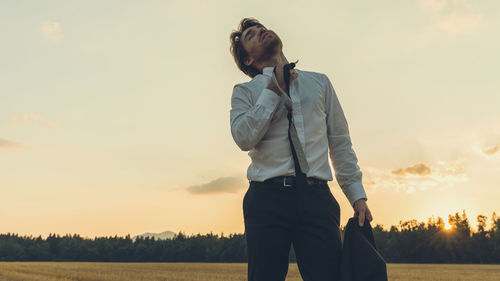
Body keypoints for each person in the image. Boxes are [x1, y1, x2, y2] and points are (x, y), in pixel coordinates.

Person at [229, 17, 374, 281]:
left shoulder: (320, 83)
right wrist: (273, 89)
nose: (261, 31)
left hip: (317, 198)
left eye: (261, 28)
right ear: (248, 61)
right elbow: (243, 137)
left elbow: (340, 142)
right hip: (266, 200)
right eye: (251, 35)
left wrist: (357, 195)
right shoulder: (245, 93)